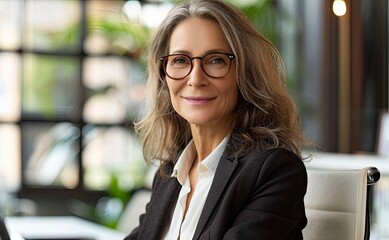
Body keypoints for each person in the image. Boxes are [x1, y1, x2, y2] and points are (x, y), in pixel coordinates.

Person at [127, 0, 310, 239]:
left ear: (244, 73)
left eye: (216, 60)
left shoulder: (274, 171)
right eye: (180, 60)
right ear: (164, 76)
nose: (195, 79)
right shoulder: (170, 171)